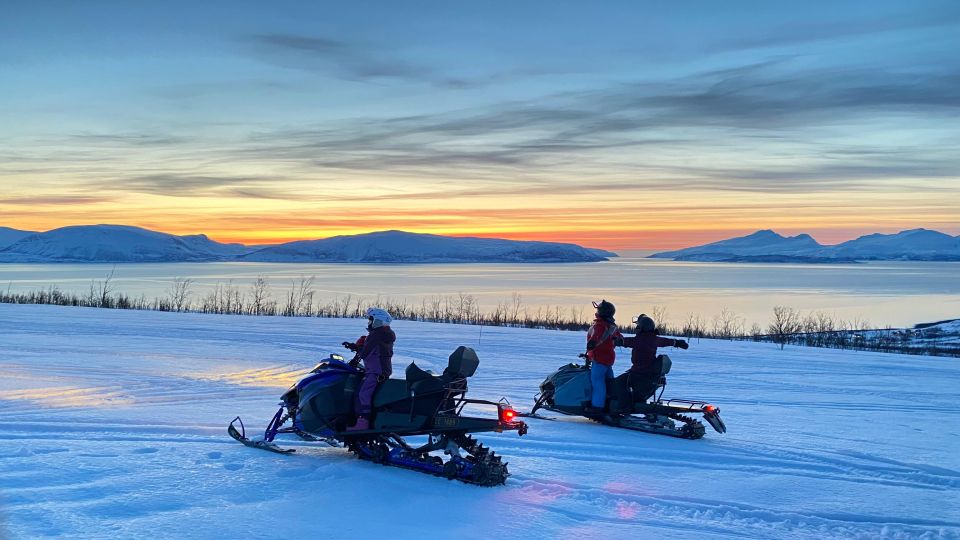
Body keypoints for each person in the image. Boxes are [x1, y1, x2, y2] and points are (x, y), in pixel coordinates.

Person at [346, 308, 396, 431]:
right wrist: (357, 347)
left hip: (376, 372)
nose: (368, 322)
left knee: (362, 394)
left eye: (370, 320)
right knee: (362, 393)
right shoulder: (382, 334)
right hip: (376, 370)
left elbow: (365, 353)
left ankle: (363, 422)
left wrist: (357, 347)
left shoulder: (377, 335)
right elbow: (369, 351)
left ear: (377, 321)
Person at [621, 314, 688, 403]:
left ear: (642, 328)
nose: (636, 328)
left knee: (618, 384)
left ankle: (622, 406)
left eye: (638, 326)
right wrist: (677, 342)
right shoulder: (654, 339)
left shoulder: (639, 339)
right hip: (649, 373)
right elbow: (665, 341)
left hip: (639, 372)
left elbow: (626, 341)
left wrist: (615, 341)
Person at [584, 299, 622, 415]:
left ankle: (597, 407)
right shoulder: (612, 326)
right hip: (608, 359)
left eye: (599, 309)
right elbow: (619, 338)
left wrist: (591, 344)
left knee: (597, 382)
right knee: (609, 383)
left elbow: (595, 337)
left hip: (599, 359)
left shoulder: (600, 325)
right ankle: (609, 404)